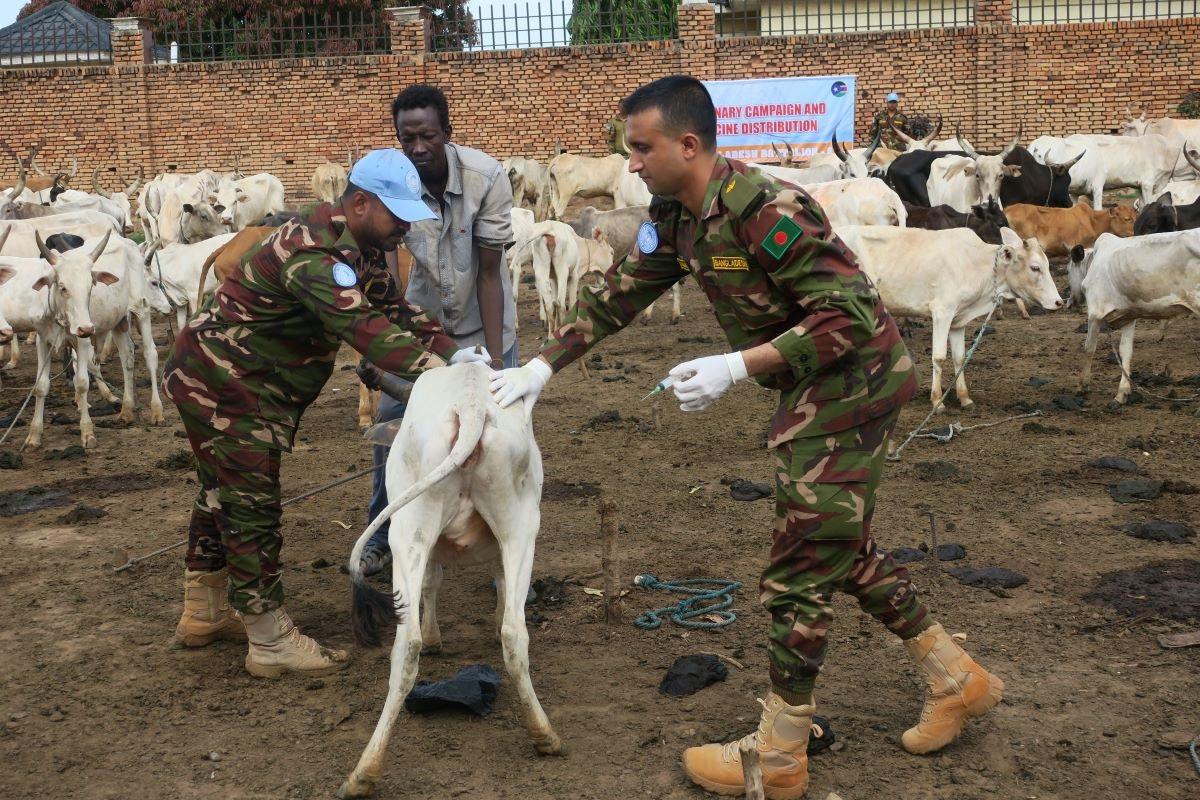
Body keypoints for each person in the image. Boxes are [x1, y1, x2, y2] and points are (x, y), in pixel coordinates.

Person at [490, 75, 1003, 799]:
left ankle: (781, 753)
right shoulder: (676, 215)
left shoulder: (768, 209)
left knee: (799, 566)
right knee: (835, 544)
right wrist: (543, 365)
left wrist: (735, 366)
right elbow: (623, 293)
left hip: (854, 383)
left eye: (641, 148)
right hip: (811, 384)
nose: (630, 163)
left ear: (688, 145)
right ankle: (956, 678)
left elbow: (851, 316)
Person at [163, 148, 491, 678]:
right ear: (361, 203)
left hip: (241, 382)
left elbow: (394, 309)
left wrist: (456, 354)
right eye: (398, 215)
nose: (406, 227)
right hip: (224, 384)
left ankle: (205, 612)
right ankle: (269, 640)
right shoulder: (313, 253)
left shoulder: (357, 246)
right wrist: (440, 373)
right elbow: (366, 330)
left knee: (219, 491)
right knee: (249, 502)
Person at [357, 84, 518, 576]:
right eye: (407, 138)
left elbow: (489, 275)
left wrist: (494, 364)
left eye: (427, 135)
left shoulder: (486, 178)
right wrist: (386, 344)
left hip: (484, 325)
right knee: (394, 428)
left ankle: (506, 554)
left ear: (447, 131)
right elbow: (386, 276)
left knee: (503, 436)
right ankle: (382, 534)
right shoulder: (393, 182)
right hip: (419, 325)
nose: (418, 147)